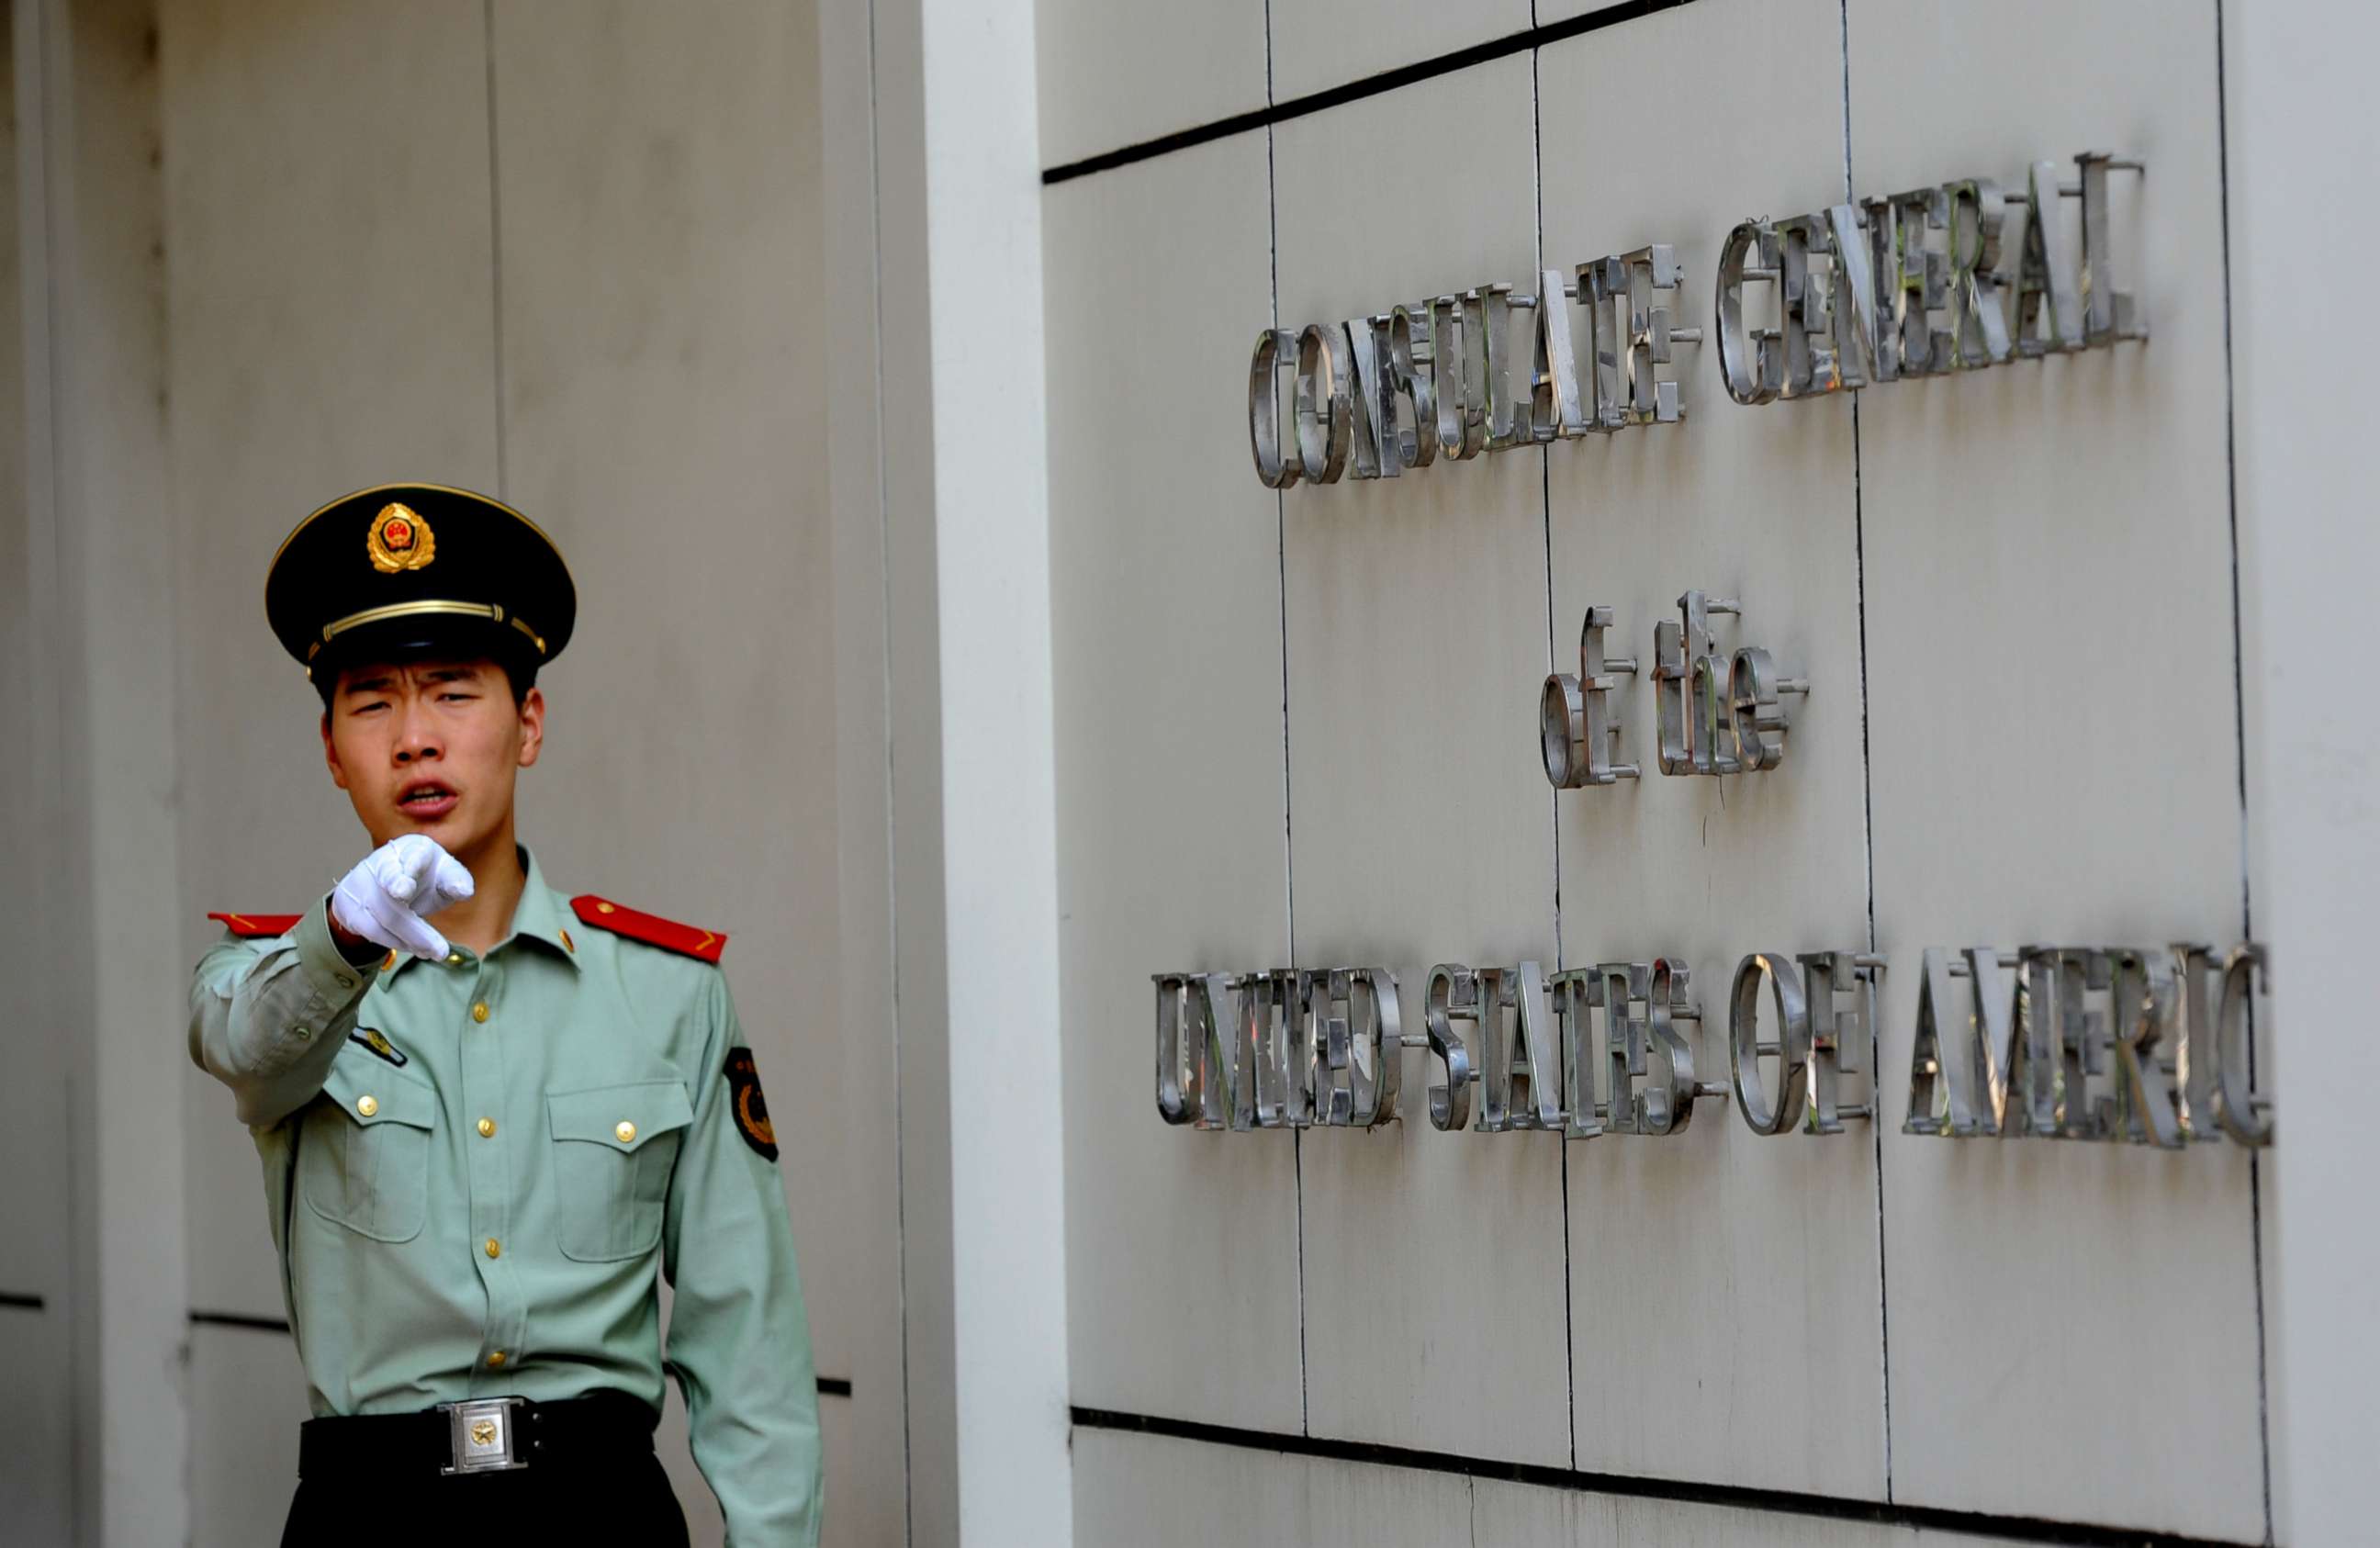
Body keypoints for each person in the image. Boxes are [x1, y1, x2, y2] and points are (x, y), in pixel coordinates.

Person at [188, 484, 822, 1544]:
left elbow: (746, 1338)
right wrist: (346, 933)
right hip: (371, 1512)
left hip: (599, 1508)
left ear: (527, 724)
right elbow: (245, 1047)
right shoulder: (277, 981)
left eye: (451, 692)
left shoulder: (667, 991)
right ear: (332, 748)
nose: (415, 740)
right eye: (373, 702)